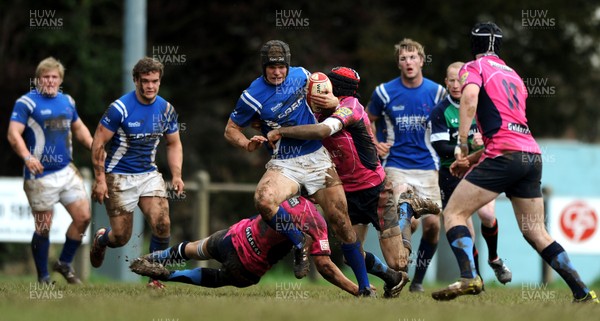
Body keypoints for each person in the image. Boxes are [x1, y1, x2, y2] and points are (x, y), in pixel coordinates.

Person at [431, 22, 598, 303]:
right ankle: (582, 292)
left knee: (454, 214)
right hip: (531, 156)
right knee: (536, 231)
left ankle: (469, 276)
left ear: (474, 46)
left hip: (504, 156)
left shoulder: (474, 67)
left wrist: (461, 145)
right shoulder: (515, 76)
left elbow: (470, 98)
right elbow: (509, 129)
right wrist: (472, 160)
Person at [267, 66, 441, 298]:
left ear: (334, 89)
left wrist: (283, 131)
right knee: (351, 255)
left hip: (375, 191)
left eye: (326, 86)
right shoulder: (315, 112)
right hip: (345, 194)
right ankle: (390, 279)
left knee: (398, 261)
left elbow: (321, 132)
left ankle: (405, 208)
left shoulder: (351, 107)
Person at [223, 40, 372, 296]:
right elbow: (230, 130)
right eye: (272, 68)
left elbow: (326, 98)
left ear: (288, 65)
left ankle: (366, 288)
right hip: (285, 163)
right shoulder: (252, 95)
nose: (278, 72)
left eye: (281, 67)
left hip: (317, 159)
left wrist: (330, 102)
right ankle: (298, 240)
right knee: (263, 199)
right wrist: (247, 143)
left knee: (342, 223)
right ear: (264, 67)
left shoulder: (303, 76)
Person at [129, 196, 371, 296]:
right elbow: (325, 267)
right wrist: (357, 289)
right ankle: (170, 275)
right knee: (219, 278)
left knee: (194, 248)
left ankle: (156, 258)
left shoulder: (284, 189)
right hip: (247, 265)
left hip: (233, 236)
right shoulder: (317, 223)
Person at [90, 57, 184, 289]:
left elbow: (173, 144)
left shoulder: (166, 109)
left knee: (162, 223)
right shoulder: (119, 109)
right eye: (145, 81)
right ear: (135, 81)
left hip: (149, 174)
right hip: (118, 176)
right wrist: (100, 180)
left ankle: (154, 279)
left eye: (154, 81)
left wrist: (177, 175)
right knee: (121, 237)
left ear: (160, 81)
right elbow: (98, 143)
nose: (150, 86)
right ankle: (102, 239)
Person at [367, 39, 446, 292]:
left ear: (422, 60)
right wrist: (375, 142)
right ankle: (401, 272)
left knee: (432, 225)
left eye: (413, 58)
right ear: (398, 63)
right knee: (405, 216)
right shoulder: (384, 92)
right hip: (396, 166)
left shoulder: (437, 93)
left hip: (428, 166)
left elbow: (452, 121)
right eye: (403, 58)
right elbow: (368, 119)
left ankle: (419, 281)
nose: (408, 62)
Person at [7, 57, 93, 284]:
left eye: (54, 77)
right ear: (38, 79)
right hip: (40, 176)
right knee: (44, 227)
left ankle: (64, 263)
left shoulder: (67, 101)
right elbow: (13, 134)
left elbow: (79, 128)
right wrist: (27, 157)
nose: (50, 81)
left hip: (66, 171)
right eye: (46, 76)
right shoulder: (26, 103)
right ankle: (43, 277)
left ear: (60, 79)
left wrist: (95, 146)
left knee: (83, 217)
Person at [429, 62, 512, 285]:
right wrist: (461, 150)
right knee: (464, 226)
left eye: (460, 80)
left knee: (486, 215)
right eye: (452, 80)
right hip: (451, 172)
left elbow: (499, 138)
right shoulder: (439, 111)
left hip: (480, 167)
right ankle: (474, 277)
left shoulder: (483, 105)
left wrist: (482, 142)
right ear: (445, 83)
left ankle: (494, 259)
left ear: (469, 81)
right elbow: (439, 146)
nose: (457, 85)